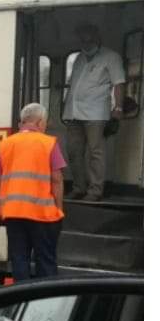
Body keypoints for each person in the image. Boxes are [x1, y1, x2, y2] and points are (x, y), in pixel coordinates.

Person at [0, 102, 66, 281]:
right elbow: (57, 180)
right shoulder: (48, 143)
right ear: (40, 122)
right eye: (45, 122)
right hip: (43, 215)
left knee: (19, 260)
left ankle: (21, 300)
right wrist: (59, 209)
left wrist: (2, 209)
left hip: (13, 214)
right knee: (46, 261)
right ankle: (46, 301)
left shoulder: (6, 144)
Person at [65, 23, 125, 202]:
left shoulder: (111, 57)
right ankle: (79, 187)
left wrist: (118, 109)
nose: (85, 41)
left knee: (95, 152)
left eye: (88, 37)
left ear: (96, 36)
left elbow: (119, 83)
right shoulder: (79, 59)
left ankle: (95, 190)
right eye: (82, 38)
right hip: (74, 112)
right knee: (74, 151)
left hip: (96, 113)